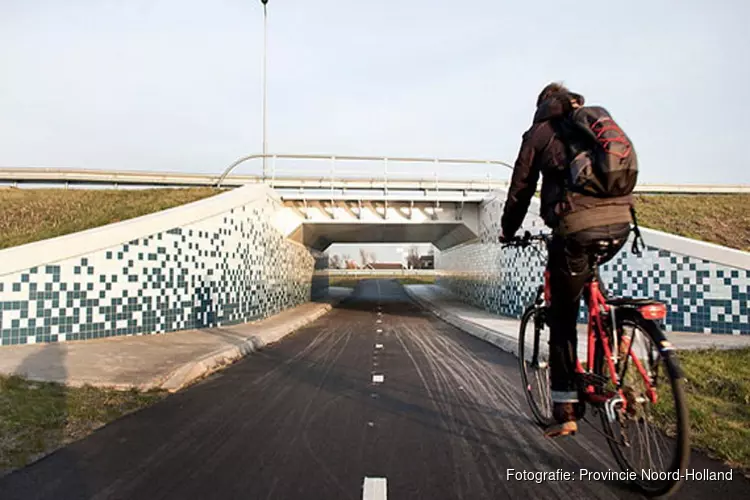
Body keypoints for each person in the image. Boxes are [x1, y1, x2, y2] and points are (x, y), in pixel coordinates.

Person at [499, 83, 633, 437]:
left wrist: (508, 231)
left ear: (542, 105)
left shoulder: (539, 133)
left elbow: (521, 189)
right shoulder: (592, 122)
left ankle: (565, 407)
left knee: (561, 317)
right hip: (621, 221)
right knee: (589, 281)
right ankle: (613, 337)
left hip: (574, 227)